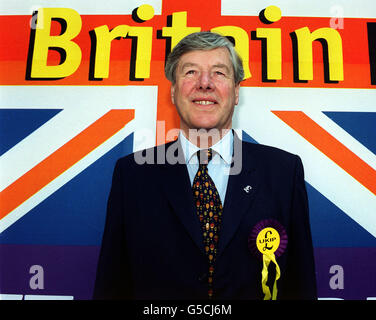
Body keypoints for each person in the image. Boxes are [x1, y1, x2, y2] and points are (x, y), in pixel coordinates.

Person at [93, 31, 317, 300]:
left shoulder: (283, 172)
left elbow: (300, 285)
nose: (205, 84)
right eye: (190, 72)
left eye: (219, 73)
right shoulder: (132, 175)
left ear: (236, 92)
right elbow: (112, 285)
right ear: (173, 92)